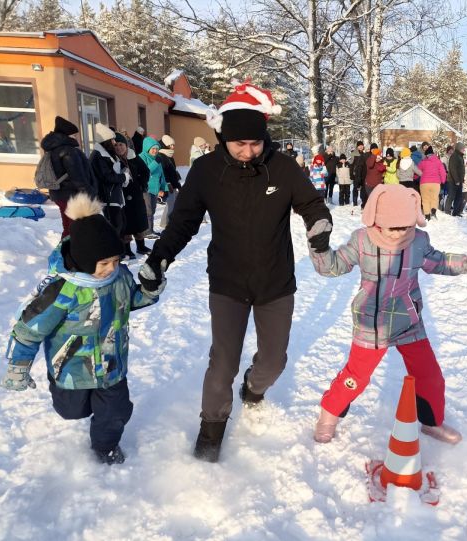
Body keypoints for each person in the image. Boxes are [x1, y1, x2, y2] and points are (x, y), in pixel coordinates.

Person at [138, 79, 332, 463]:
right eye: (239, 143)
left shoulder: (282, 168)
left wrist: (319, 225)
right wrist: (159, 259)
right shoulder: (208, 170)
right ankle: (211, 429)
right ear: (224, 138)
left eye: (255, 143)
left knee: (274, 360)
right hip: (226, 282)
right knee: (222, 360)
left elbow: (312, 204)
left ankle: (253, 390)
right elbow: (183, 222)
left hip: (275, 282)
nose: (247, 151)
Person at [306, 184, 467, 444]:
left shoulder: (417, 240)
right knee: (355, 377)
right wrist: (319, 248)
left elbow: (438, 262)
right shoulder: (362, 240)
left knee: (430, 376)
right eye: (392, 228)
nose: (398, 234)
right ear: (377, 220)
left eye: (405, 227)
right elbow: (333, 267)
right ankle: (328, 416)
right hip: (373, 323)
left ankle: (432, 422)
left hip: (408, 321)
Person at [1, 193, 163, 464]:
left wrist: (149, 289)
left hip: (112, 365)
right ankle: (77, 403)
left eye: (115, 260)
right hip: (72, 370)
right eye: (103, 263)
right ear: (85, 260)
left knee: (115, 412)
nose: (111, 268)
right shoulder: (63, 291)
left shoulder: (119, 276)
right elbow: (28, 330)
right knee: (72, 411)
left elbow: (132, 299)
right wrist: (18, 367)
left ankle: (105, 446)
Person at [40, 116, 98, 238]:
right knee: (76, 229)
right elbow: (78, 177)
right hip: (72, 196)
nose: (76, 137)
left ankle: (65, 254)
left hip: (59, 194)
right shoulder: (69, 151)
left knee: (68, 227)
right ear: (67, 135)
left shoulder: (53, 149)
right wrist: (90, 193)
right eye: (74, 135)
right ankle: (71, 254)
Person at [89, 123, 130, 238]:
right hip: (107, 197)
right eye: (112, 140)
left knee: (120, 225)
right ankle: (114, 254)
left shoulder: (106, 154)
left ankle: (119, 252)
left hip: (113, 195)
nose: (114, 143)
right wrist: (124, 177)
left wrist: (124, 172)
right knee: (114, 227)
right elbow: (107, 177)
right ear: (106, 140)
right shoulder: (98, 155)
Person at [114, 133, 151, 257]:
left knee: (139, 221)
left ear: (126, 145)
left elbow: (146, 171)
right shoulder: (114, 159)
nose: (119, 147)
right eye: (117, 145)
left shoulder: (133, 156)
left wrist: (141, 184)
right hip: (123, 196)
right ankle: (127, 249)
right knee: (126, 224)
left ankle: (141, 246)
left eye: (121, 144)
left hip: (136, 195)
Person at [138, 137, 167, 239]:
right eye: (153, 149)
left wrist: (164, 187)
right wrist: (155, 163)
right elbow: (145, 171)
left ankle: (150, 229)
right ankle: (146, 231)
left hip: (155, 188)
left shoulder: (157, 158)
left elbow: (161, 174)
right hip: (146, 188)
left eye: (156, 149)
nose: (155, 151)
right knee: (148, 210)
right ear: (147, 148)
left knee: (153, 210)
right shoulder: (141, 157)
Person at [156, 135, 182, 228]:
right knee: (170, 204)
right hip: (168, 184)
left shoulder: (169, 155)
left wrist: (177, 184)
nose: (172, 147)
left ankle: (168, 221)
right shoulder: (161, 156)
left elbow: (172, 171)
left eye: (173, 145)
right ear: (165, 145)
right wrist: (167, 183)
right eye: (170, 145)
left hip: (173, 183)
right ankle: (165, 223)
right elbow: (162, 172)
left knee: (173, 203)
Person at [417, 145, 446, 221]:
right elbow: (443, 172)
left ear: (426, 155)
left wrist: (414, 178)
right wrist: (443, 181)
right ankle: (433, 212)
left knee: (425, 199)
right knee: (434, 198)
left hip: (424, 183)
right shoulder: (438, 161)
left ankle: (427, 215)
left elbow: (417, 171)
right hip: (435, 183)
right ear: (433, 154)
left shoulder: (422, 162)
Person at [446, 142, 465, 216]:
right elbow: (453, 169)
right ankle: (447, 211)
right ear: (459, 148)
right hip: (453, 181)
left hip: (459, 181)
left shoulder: (460, 156)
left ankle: (456, 212)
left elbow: (461, 169)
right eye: (463, 148)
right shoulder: (454, 156)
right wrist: (456, 180)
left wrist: (461, 179)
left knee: (458, 197)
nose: (464, 150)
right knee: (451, 196)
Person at [350, 141, 368, 207]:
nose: (361, 147)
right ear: (357, 147)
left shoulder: (364, 154)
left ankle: (363, 201)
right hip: (356, 173)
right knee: (355, 188)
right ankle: (355, 202)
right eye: (359, 145)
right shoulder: (353, 154)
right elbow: (351, 164)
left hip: (363, 174)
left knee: (363, 188)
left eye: (362, 145)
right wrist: (351, 174)